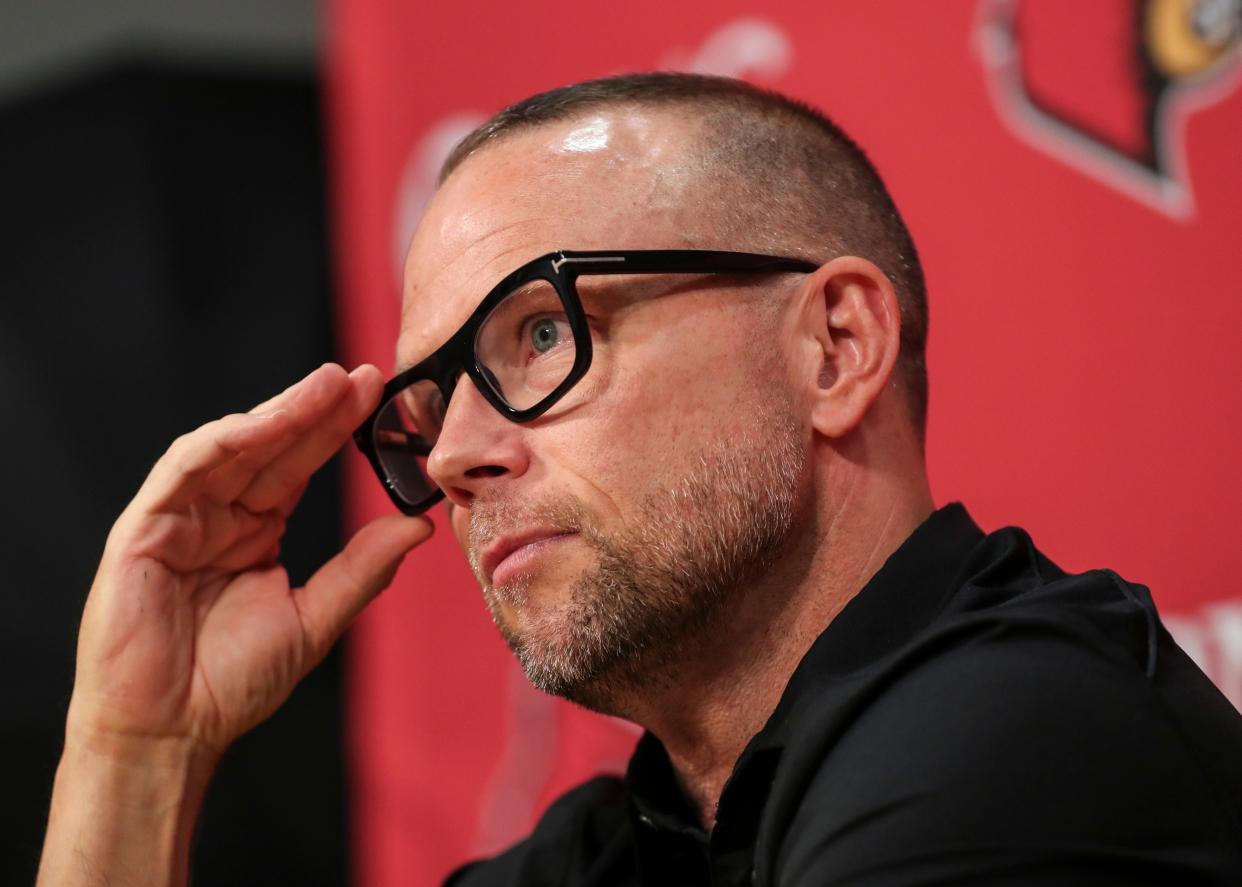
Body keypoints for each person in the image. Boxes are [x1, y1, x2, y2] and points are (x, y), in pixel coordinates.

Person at [38, 73, 1242, 887]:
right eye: (425, 407)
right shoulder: (634, 838)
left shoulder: (1027, 745)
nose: (454, 456)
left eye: (543, 334)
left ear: (834, 348)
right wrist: (140, 748)